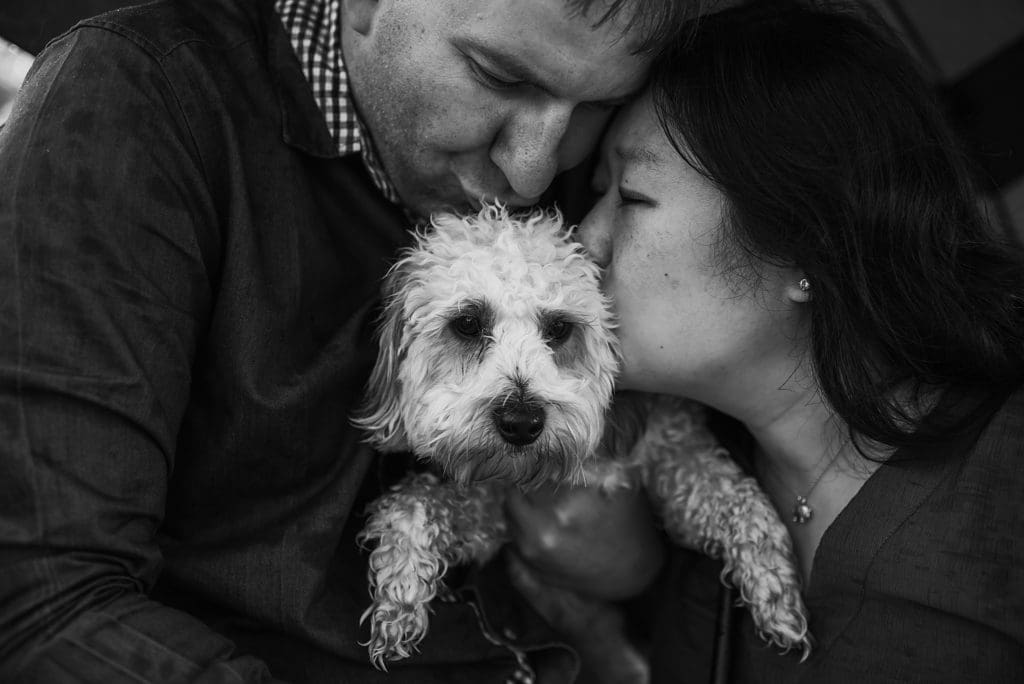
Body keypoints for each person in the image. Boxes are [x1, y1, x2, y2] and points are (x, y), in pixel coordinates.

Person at [0, 0, 717, 681]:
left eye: (596, 107)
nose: (533, 168)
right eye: (499, 75)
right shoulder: (140, 104)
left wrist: (643, 571)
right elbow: (47, 600)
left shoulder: (592, 175)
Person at [506, 1, 1024, 682]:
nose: (582, 245)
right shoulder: (669, 480)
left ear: (805, 240)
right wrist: (638, 578)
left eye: (629, 198)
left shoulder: (1003, 484)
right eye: (594, 195)